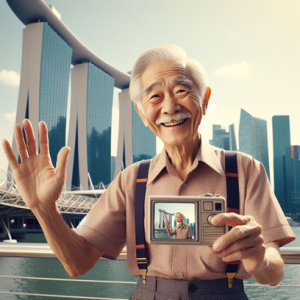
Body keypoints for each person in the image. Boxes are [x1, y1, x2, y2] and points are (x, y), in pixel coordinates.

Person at [2, 45, 295, 299]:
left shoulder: (245, 170)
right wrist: (43, 209)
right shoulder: (131, 181)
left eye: (182, 90)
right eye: (154, 98)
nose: (169, 106)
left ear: (204, 100)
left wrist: (260, 260)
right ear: (142, 114)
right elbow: (77, 264)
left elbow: (274, 272)